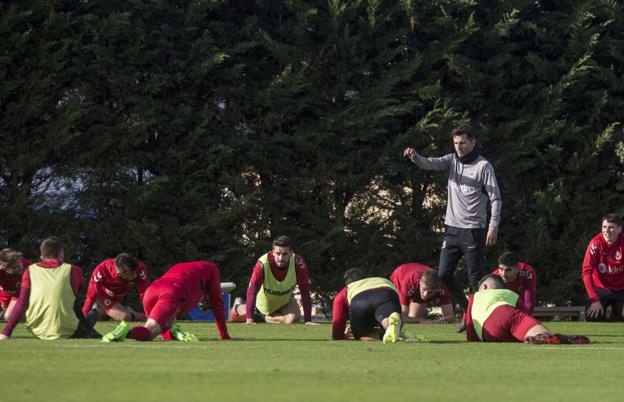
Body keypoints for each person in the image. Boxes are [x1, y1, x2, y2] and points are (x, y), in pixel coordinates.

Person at [404, 124, 502, 329]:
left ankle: (479, 320)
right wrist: (415, 157)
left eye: (463, 143)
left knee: (475, 278)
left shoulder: (484, 166)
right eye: (456, 143)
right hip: (452, 229)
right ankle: (468, 311)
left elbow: (495, 198)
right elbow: (429, 163)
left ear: (473, 142)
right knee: (443, 274)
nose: (459, 147)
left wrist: (493, 225)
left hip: (474, 230)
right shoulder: (451, 160)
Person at [101, 261, 230, 342]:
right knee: (149, 333)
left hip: (152, 291)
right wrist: (224, 335)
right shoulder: (212, 270)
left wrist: (169, 336)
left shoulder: (184, 267)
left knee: (155, 328)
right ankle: (126, 331)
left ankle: (129, 331)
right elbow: (218, 303)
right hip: (171, 292)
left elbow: (165, 327)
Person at [0, 237, 98, 340]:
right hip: (70, 330)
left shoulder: (29, 270)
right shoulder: (74, 270)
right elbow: (81, 300)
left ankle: (85, 326)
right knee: (77, 303)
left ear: (41, 256)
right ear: (61, 253)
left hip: (37, 331)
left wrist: (6, 333)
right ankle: (86, 326)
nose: (18, 268)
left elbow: (22, 302)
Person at [466, 274, 589, 344]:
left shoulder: (474, 297)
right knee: (542, 335)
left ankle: (537, 337)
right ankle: (547, 336)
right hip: (504, 312)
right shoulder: (508, 293)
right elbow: (525, 315)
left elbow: (470, 330)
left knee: (519, 337)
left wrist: (480, 337)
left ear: (484, 286)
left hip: (489, 333)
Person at [229, 236, 315, 324]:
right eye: (278, 253)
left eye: (285, 254)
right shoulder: (263, 263)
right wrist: (250, 319)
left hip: (283, 303)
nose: (281, 258)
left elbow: (305, 291)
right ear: (273, 252)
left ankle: (264, 318)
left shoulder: (298, 263)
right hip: (260, 306)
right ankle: (237, 306)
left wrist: (308, 320)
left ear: (291, 253)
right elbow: (252, 291)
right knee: (244, 314)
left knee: (293, 320)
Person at [332, 267, 402, 343]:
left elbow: (337, 324)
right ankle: (389, 326)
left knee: (361, 333)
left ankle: (383, 335)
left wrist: (342, 335)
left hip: (359, 300)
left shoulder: (346, 290)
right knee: (387, 316)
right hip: (386, 291)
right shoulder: (379, 279)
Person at [82, 253, 150, 326]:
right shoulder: (102, 270)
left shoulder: (139, 269)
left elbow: (145, 294)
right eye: (132, 274)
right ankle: (98, 308)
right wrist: (82, 319)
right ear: (120, 274)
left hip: (120, 298)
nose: (136, 275)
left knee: (102, 316)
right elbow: (91, 295)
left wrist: (151, 315)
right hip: (104, 297)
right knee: (125, 317)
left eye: (136, 271)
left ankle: (100, 311)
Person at [582, 213, 624, 321]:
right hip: (601, 289)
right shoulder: (596, 243)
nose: (606, 230)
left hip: (621, 290)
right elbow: (586, 273)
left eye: (611, 227)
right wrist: (594, 299)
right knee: (593, 316)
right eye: (604, 227)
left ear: (619, 229)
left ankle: (615, 316)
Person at [389, 262, 454, 323]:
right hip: (399, 276)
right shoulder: (408, 283)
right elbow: (402, 316)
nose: (425, 295)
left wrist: (440, 320)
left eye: (430, 292)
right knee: (405, 319)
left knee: (415, 318)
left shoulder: (442, 287)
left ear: (437, 289)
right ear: (420, 282)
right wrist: (422, 320)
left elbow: (450, 316)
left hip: (415, 288)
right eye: (424, 289)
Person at [0, 249, 32, 321]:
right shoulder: (1, 270)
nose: (19, 268)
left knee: (9, 316)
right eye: (15, 268)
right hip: (5, 296)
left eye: (19, 265)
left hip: (20, 295)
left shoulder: (29, 266)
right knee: (7, 315)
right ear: (5, 268)